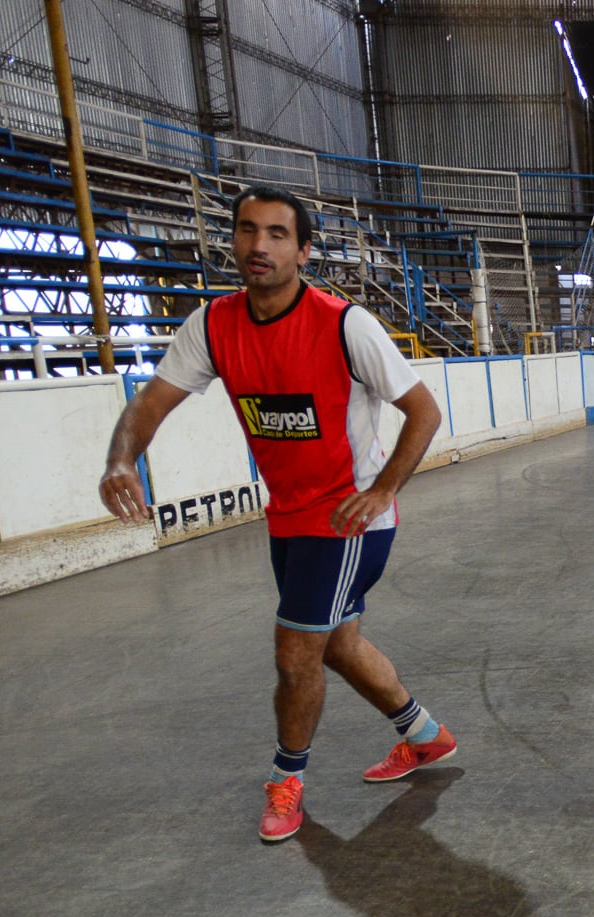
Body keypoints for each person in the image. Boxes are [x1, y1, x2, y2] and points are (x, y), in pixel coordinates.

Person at [98, 186, 458, 843]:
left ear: (303, 250)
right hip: (289, 517)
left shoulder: (346, 325)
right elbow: (150, 403)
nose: (258, 245)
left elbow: (424, 410)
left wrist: (381, 489)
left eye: (276, 234)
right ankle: (425, 735)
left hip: (347, 520)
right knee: (338, 645)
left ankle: (286, 780)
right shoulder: (211, 326)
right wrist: (123, 459)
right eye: (246, 230)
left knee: (295, 654)